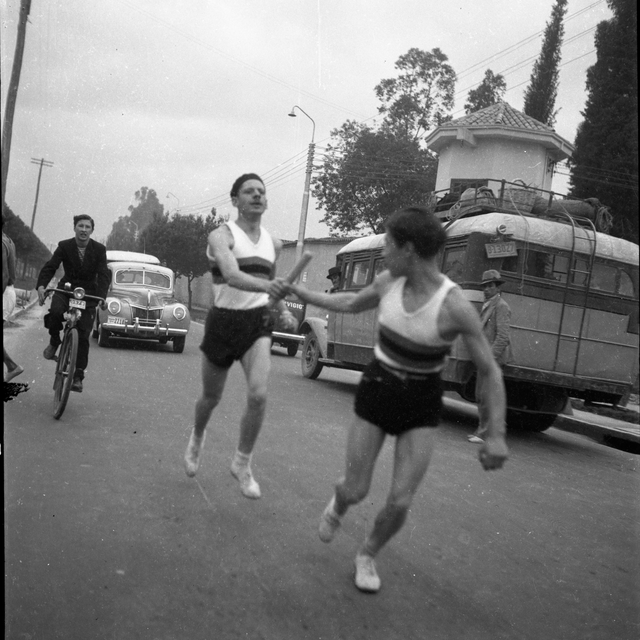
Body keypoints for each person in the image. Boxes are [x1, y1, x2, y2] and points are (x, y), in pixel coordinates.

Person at [286, 206, 508, 593]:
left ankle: (367, 553)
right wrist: (300, 292)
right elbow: (350, 303)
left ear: (407, 249)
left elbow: (490, 369)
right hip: (378, 387)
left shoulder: (453, 304)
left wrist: (496, 434)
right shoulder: (388, 281)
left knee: (401, 500)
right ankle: (338, 506)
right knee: (355, 489)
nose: (384, 252)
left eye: (388, 244)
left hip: (420, 401)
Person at [183, 173, 296, 499]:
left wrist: (283, 311)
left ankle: (242, 462)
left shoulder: (273, 244)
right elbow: (232, 275)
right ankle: (197, 438)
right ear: (235, 200)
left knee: (259, 395)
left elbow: (270, 289)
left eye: (261, 192)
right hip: (223, 322)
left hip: (256, 324)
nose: (257, 196)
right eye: (249, 192)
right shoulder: (221, 235)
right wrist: (268, 287)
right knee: (211, 397)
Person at [36, 214, 110, 393]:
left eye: (87, 227)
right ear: (74, 228)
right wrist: (41, 286)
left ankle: (78, 376)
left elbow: (104, 274)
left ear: (92, 230)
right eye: (80, 226)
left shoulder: (99, 249)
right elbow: (51, 266)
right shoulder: (64, 246)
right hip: (67, 290)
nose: (83, 230)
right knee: (55, 312)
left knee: (83, 335)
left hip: (88, 294)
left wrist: (102, 297)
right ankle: (55, 341)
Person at [468, 269, 513, 443]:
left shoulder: (501, 306)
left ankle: (486, 433)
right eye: (485, 286)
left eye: (490, 286)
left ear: (497, 288)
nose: (487, 289)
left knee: (487, 396)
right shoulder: (489, 305)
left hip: (491, 360)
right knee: (481, 395)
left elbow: (503, 337)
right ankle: (482, 430)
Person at [3, 215, 24, 382]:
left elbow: (3, 275)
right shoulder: (7, 240)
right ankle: (11, 366)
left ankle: (12, 366)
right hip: (8, 292)